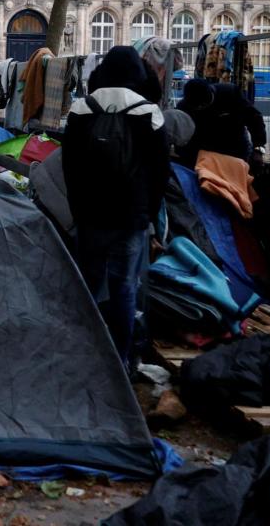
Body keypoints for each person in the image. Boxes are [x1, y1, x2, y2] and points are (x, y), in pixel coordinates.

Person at [62, 45, 169, 368]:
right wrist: (147, 217)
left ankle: (82, 357)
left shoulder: (82, 109)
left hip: (91, 215)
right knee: (124, 288)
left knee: (88, 287)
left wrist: (77, 209)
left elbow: (70, 167)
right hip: (130, 218)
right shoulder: (149, 112)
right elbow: (159, 173)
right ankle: (121, 362)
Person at [176, 79, 267, 169]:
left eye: (203, 105)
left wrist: (258, 149)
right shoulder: (184, 107)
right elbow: (180, 137)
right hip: (203, 152)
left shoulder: (230, 94)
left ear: (211, 94)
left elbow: (254, 119)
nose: (200, 108)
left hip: (235, 146)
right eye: (197, 107)